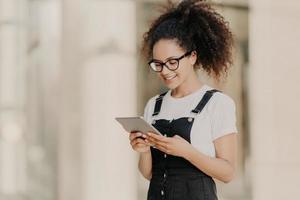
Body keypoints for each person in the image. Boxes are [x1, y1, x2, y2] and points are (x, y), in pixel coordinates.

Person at [129, 0, 238, 199]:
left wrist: (187, 151)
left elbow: (228, 173)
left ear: (192, 57)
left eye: (172, 62)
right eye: (158, 64)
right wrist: (144, 150)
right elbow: (149, 174)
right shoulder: (154, 105)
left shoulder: (217, 103)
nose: (165, 71)